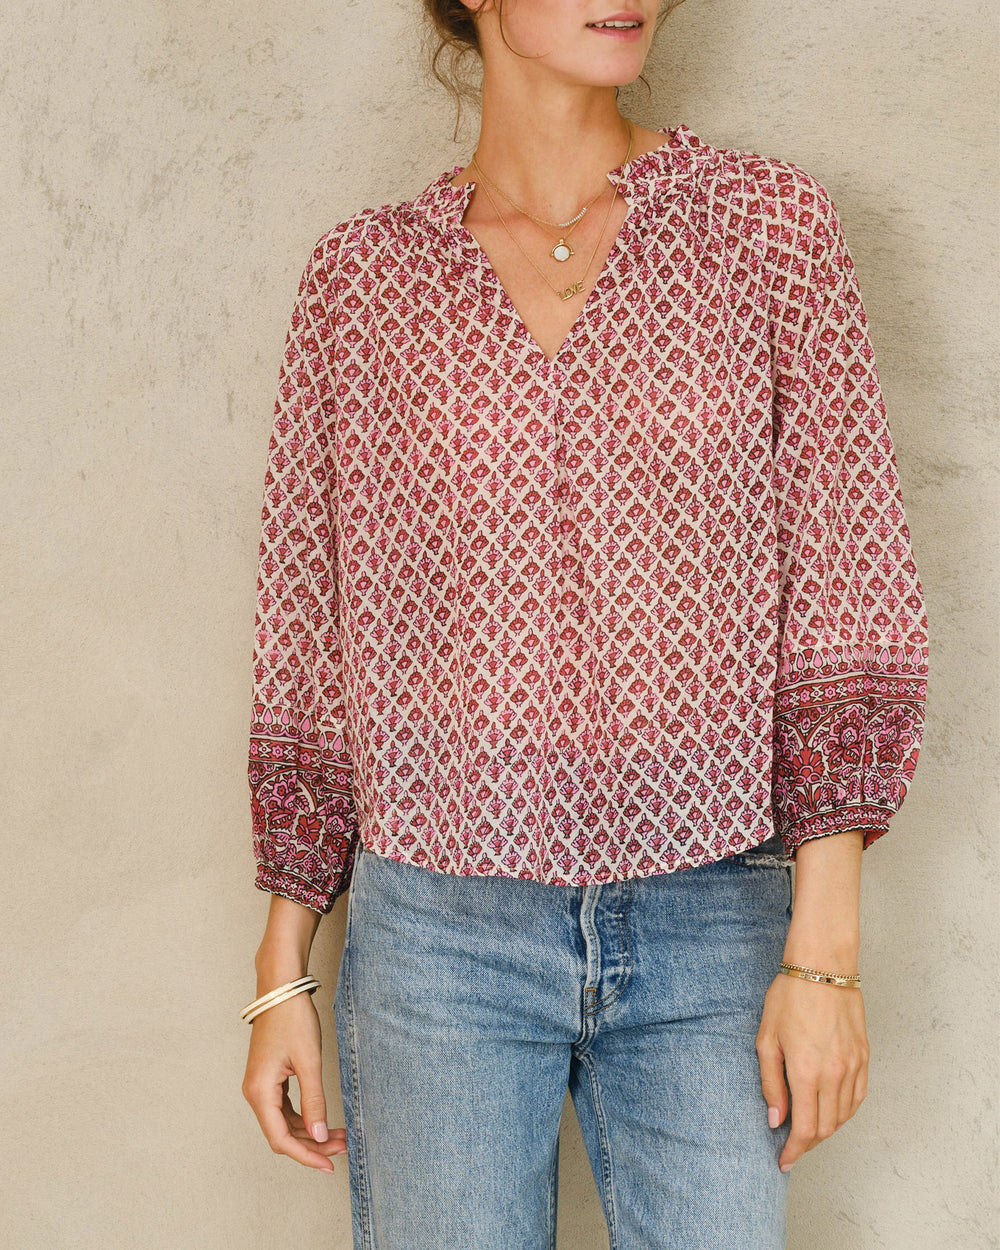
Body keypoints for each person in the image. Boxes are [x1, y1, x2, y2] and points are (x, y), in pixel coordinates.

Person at [240, 2, 929, 1246]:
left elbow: (847, 575)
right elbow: (311, 627)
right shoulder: (363, 282)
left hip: (713, 905)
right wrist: (282, 963)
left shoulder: (764, 228)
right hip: (438, 930)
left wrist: (824, 951)